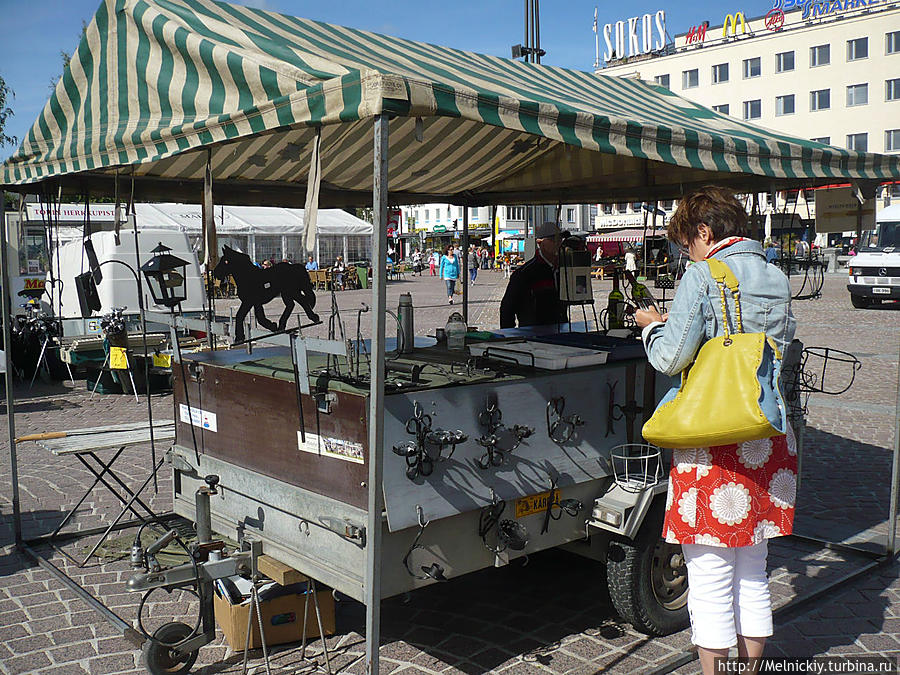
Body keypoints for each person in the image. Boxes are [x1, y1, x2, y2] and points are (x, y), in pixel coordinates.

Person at [634, 187, 796, 675]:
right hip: (766, 436)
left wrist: (651, 325)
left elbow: (669, 357)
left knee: (707, 573)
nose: (687, 252)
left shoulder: (703, 275)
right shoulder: (776, 276)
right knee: (753, 567)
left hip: (715, 440)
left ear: (704, 233)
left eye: (687, 243)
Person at [499, 221, 568, 328]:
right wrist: (509, 337)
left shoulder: (563, 269)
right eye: (553, 240)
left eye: (560, 239)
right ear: (540, 243)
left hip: (561, 333)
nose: (559, 243)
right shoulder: (525, 273)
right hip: (533, 336)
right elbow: (507, 309)